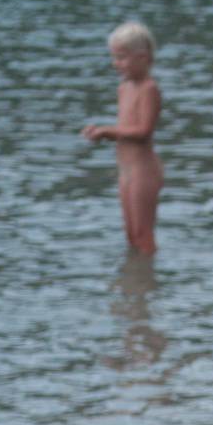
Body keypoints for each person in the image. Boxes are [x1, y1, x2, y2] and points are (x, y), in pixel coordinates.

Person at [81, 20, 163, 254]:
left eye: (122, 57)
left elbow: (144, 130)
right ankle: (136, 282)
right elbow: (125, 129)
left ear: (143, 57)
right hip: (125, 170)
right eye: (115, 57)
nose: (116, 64)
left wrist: (109, 130)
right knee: (130, 234)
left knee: (143, 233)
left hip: (143, 171)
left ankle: (147, 284)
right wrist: (101, 133)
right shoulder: (124, 88)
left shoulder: (149, 89)